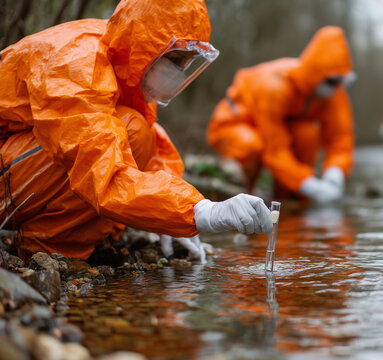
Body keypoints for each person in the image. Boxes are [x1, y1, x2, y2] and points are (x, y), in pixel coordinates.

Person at [0, 0, 272, 262]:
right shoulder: (75, 63)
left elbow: (153, 148)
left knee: (138, 130)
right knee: (122, 132)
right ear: (148, 43)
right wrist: (197, 212)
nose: (178, 72)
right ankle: (47, 252)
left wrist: (168, 220)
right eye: (176, 59)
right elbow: (101, 168)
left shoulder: (119, 55)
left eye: (185, 64)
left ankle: (88, 239)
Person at [207, 26, 356, 204]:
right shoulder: (274, 87)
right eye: (333, 81)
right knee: (251, 145)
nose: (336, 87)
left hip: (272, 133)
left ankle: (290, 201)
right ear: (317, 74)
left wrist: (335, 171)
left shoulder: (333, 91)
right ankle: (236, 196)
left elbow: (340, 137)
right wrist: (306, 182)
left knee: (307, 134)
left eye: (341, 82)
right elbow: (275, 149)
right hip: (233, 125)